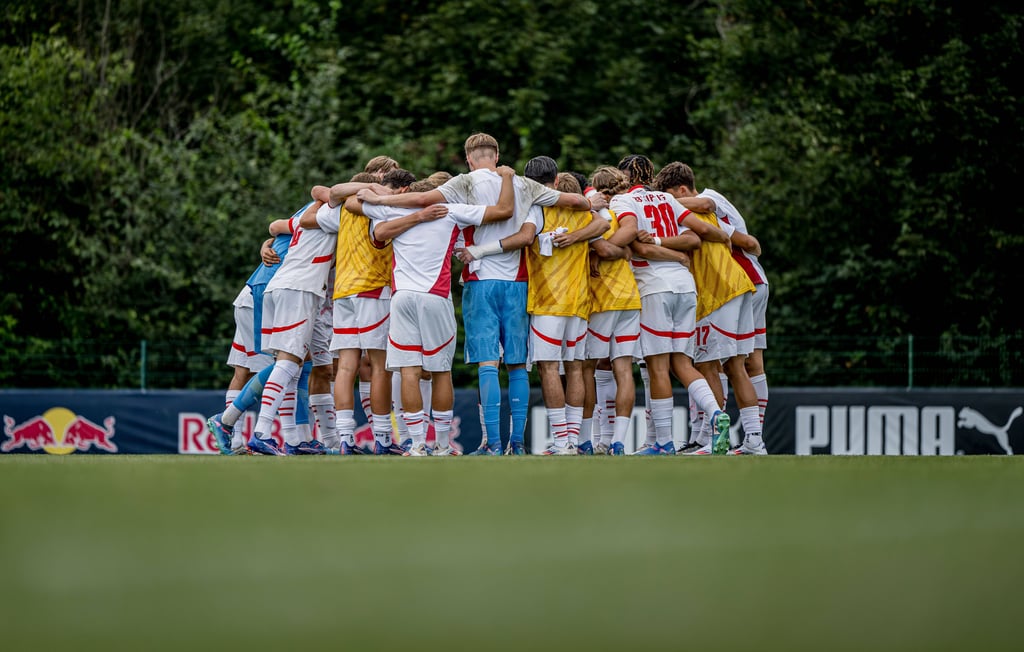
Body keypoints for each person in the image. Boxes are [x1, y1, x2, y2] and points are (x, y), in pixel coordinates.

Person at [358, 133, 601, 456]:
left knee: (486, 363)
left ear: (469, 158)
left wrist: (379, 199)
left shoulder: (461, 184)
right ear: (497, 155)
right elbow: (573, 203)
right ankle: (517, 442)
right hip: (518, 280)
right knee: (516, 365)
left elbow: (420, 201)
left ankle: (491, 443)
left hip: (480, 278)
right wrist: (589, 201)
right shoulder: (524, 186)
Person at [350, 165, 517, 456]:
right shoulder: (452, 210)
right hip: (434, 297)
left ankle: (415, 444)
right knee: (440, 372)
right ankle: (441, 445)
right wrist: (505, 177)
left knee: (409, 371)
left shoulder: (393, 212)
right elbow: (503, 211)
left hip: (401, 297)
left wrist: (382, 198)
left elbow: (352, 202)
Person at [466, 159, 609, 455]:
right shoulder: (582, 210)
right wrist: (578, 231)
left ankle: (560, 442)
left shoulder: (538, 207)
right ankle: (572, 439)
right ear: (554, 181)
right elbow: (603, 223)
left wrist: (479, 250)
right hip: (579, 302)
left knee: (548, 370)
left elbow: (525, 237)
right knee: (576, 369)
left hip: (548, 303)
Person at [611, 154, 730, 455]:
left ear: (625, 177)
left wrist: (645, 244)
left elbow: (635, 245)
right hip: (685, 287)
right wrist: (718, 239)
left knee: (658, 367)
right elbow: (696, 236)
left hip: (654, 287)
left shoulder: (623, 202)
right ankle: (717, 414)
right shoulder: (666, 199)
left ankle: (663, 443)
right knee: (682, 363)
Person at [653, 161, 763, 455]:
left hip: (718, 293)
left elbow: (701, 228)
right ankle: (754, 439)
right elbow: (739, 238)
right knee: (734, 365)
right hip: (738, 286)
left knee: (707, 365)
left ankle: (716, 439)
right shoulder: (702, 214)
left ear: (680, 191)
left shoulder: (694, 209)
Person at [329, 169, 412, 455]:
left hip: (343, 290)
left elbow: (322, 198)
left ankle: (345, 439)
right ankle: (384, 439)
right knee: (380, 367)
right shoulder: (380, 207)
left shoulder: (343, 209)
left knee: (346, 367)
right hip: (373, 288)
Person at [582, 166, 642, 456]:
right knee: (623, 369)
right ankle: (616, 441)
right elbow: (627, 248)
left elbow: (604, 249)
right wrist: (621, 251)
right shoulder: (625, 212)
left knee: (586, 368)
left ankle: (589, 439)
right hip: (630, 297)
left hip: (604, 298)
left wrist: (597, 251)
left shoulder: (597, 214)